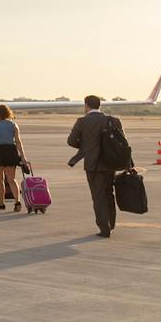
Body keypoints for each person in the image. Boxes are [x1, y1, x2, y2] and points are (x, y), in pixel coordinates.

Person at [67, 94, 126, 237]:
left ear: (86, 105)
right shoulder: (113, 120)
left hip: (93, 165)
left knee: (98, 196)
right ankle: (111, 224)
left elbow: (71, 141)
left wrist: (86, 146)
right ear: (100, 106)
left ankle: (104, 228)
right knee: (109, 194)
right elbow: (122, 143)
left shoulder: (82, 121)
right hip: (110, 163)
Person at [0, 103, 26, 211]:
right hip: (11, 151)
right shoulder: (14, 125)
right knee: (12, 179)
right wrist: (23, 157)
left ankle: (1, 203)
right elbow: (18, 142)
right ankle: (17, 201)